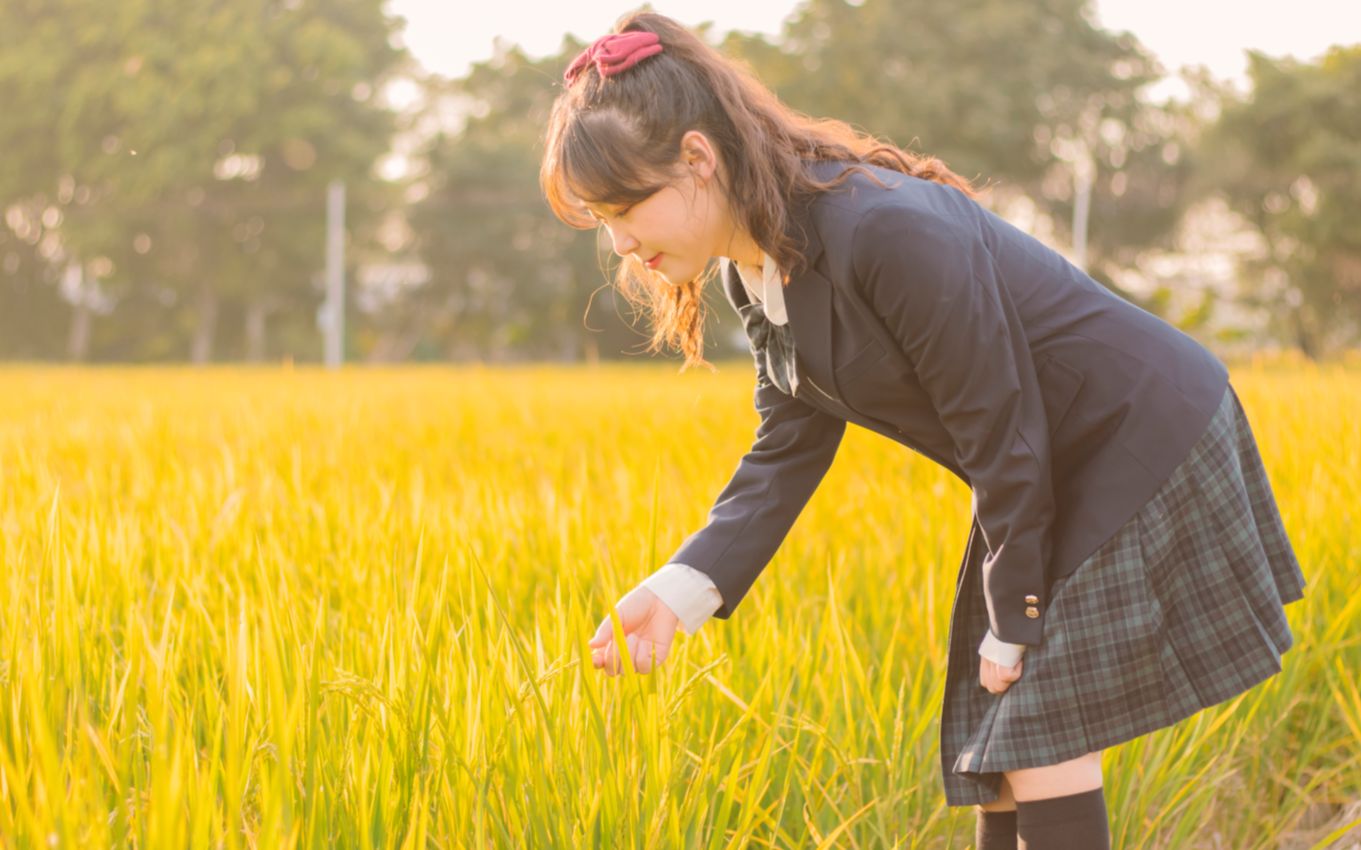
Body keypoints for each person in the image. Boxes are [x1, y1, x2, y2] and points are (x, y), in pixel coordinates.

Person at [540, 10, 1307, 849]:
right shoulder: (758, 275)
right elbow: (785, 451)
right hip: (1041, 466)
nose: (620, 243)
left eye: (625, 208)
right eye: (599, 219)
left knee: (1035, 730)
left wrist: (1012, 609)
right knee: (1000, 734)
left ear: (697, 158)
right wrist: (680, 592)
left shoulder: (883, 227)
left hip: (1135, 436)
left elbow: (999, 419)